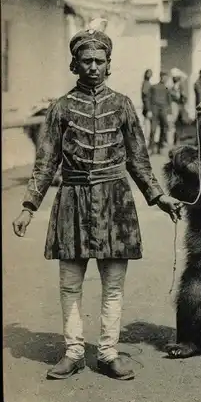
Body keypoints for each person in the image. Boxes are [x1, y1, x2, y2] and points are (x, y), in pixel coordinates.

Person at [12, 25, 183, 381]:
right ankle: (73, 351)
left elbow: (139, 160)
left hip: (115, 203)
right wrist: (29, 206)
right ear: (74, 65)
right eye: (85, 60)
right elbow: (46, 163)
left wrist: (159, 196)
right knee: (70, 284)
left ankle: (107, 353)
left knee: (113, 285)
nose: (93, 66)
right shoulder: (60, 108)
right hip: (71, 201)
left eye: (99, 60)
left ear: (109, 65)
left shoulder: (122, 105)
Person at [148, 72, 172, 154]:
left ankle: (160, 147)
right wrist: (149, 110)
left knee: (164, 128)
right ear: (161, 77)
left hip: (163, 110)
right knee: (153, 129)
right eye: (163, 77)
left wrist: (169, 113)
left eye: (166, 78)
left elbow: (169, 101)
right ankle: (151, 148)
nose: (164, 79)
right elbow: (149, 99)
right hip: (155, 109)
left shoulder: (166, 89)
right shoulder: (153, 87)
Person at [168, 75, 187, 147]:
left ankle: (177, 139)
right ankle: (173, 140)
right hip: (174, 106)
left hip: (180, 107)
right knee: (173, 123)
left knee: (179, 123)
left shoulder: (181, 88)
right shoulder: (171, 88)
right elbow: (172, 97)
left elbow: (184, 97)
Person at [141, 69, 153, 143]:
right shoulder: (146, 84)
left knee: (147, 125)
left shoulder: (146, 83)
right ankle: (146, 141)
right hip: (147, 107)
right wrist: (148, 109)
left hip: (147, 107)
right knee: (147, 126)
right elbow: (146, 98)